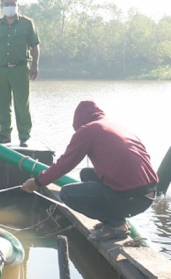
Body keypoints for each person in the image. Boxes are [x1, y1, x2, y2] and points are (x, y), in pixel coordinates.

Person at [21, 100, 158, 242]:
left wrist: (37, 182)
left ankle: (116, 224)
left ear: (79, 120)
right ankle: (114, 218)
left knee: (67, 194)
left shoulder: (88, 130)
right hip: (148, 194)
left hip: (132, 199)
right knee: (86, 174)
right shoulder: (114, 126)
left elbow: (65, 163)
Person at [0, 0, 40, 147]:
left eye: (12, 4)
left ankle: (24, 136)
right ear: (1, 6)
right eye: (6, 4)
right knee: (2, 104)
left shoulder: (27, 24)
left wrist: (35, 65)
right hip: (1, 70)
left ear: (17, 5)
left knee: (22, 104)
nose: (10, 7)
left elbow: (35, 46)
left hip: (20, 69)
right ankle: (4, 134)